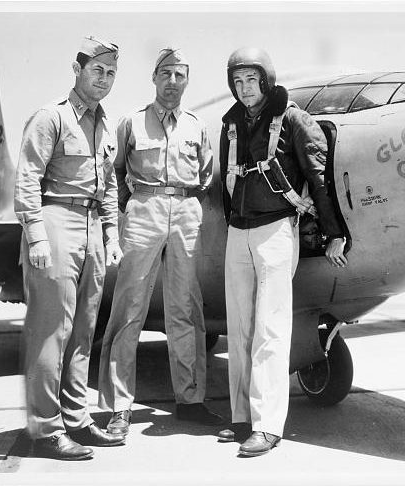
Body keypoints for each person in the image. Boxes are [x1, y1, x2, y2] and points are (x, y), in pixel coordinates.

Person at [218, 47, 348, 457]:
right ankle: (241, 418)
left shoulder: (292, 119)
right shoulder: (233, 125)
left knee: (270, 330)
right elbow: (228, 180)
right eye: (237, 82)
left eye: (251, 81)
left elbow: (318, 176)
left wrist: (334, 234)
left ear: (266, 80)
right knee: (238, 329)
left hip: (276, 229)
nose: (244, 89)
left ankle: (268, 425)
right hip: (238, 234)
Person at [98, 47, 221, 436]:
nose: (172, 81)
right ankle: (119, 408)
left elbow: (204, 176)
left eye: (179, 75)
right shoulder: (131, 123)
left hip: (185, 211)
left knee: (186, 307)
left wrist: (182, 205)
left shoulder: (197, 126)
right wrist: (133, 208)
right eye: (165, 73)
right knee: (129, 307)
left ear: (187, 81)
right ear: (154, 78)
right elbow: (114, 174)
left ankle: (191, 401)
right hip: (143, 209)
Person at [14, 35, 125, 461]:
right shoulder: (51, 117)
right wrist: (37, 236)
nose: (104, 79)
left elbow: (110, 185)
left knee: (84, 329)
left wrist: (111, 235)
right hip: (56, 219)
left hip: (93, 226)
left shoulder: (104, 123)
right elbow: (27, 179)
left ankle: (77, 418)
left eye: (112, 72)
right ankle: (45, 428)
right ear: (77, 69)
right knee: (50, 328)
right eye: (98, 69)